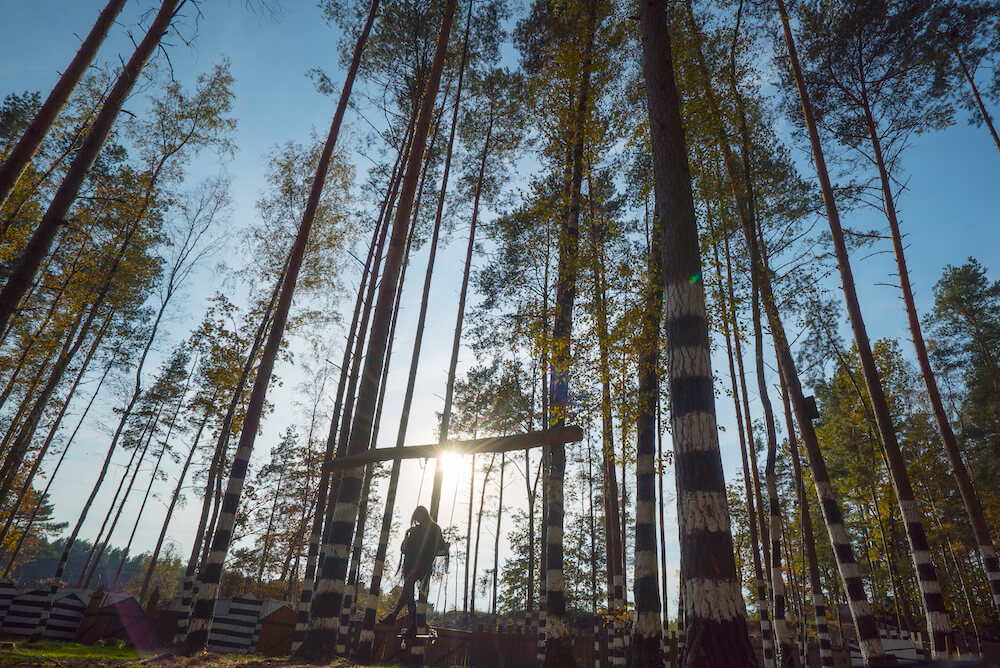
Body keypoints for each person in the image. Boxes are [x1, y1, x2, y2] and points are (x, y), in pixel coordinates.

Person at [380, 505, 447, 635]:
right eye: (416, 519)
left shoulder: (435, 529)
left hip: (423, 565)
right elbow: (404, 549)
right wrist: (406, 534)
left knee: (410, 585)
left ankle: (394, 615)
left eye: (419, 518)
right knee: (408, 594)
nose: (418, 521)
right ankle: (413, 625)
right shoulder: (415, 531)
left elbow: (440, 549)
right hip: (409, 564)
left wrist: (445, 548)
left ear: (424, 515)